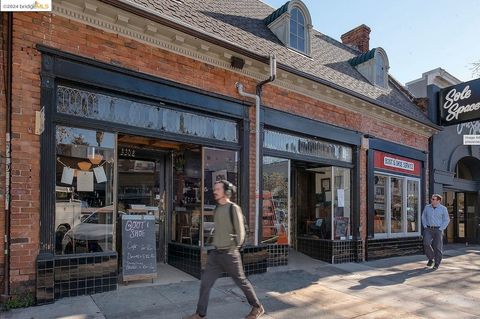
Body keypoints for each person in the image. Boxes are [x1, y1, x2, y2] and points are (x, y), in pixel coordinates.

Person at [184, 180, 264, 319]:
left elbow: (241, 233)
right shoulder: (217, 208)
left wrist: (233, 248)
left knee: (242, 282)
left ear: (226, 191)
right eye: (215, 189)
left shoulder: (233, 208)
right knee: (205, 283)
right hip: (215, 254)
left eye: (218, 189)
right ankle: (200, 314)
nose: (215, 191)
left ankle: (257, 307)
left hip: (229, 254)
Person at [421, 193, 450, 270]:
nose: (431, 200)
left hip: (438, 229)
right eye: (431, 199)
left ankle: (437, 264)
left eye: (433, 199)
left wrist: (441, 228)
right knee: (426, 243)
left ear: (438, 201)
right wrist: (425, 226)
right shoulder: (427, 207)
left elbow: (446, 220)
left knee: (437, 247)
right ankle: (431, 258)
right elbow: (423, 216)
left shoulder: (443, 209)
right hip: (428, 229)